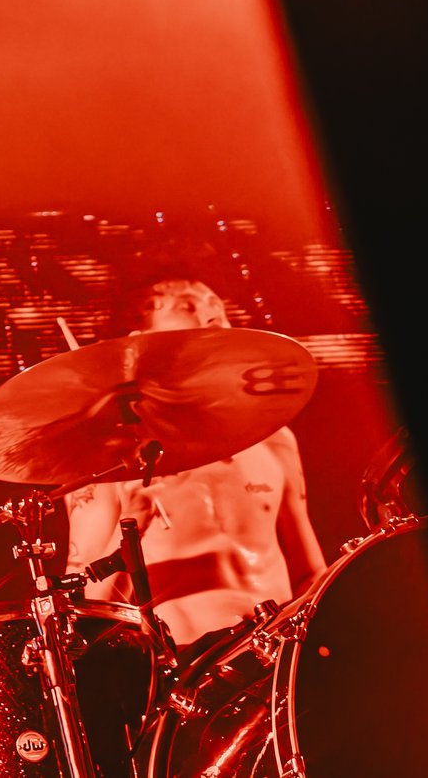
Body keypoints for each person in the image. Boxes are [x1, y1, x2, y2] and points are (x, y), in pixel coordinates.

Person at [63, 274, 329, 644]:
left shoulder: (273, 438)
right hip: (188, 664)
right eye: (187, 306)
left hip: (284, 656)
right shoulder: (107, 459)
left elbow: (309, 574)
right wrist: (129, 537)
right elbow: (84, 607)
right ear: (140, 340)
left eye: (217, 305)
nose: (210, 312)